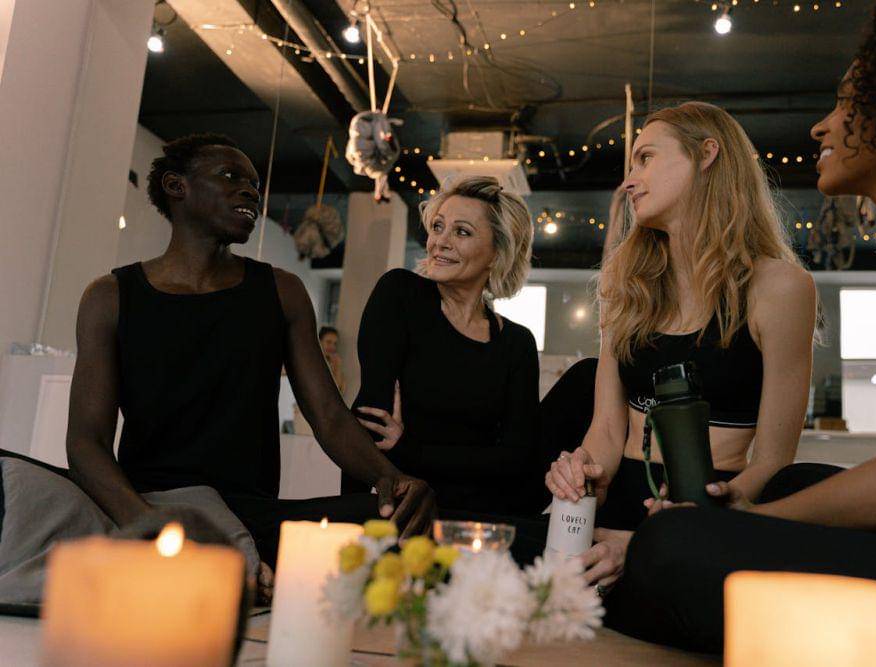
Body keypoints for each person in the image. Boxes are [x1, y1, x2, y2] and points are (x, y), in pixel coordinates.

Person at [611, 1, 876, 664]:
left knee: (671, 546)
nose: (822, 124)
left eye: (847, 102)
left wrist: (740, 525)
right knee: (796, 484)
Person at [66, 134, 435, 573]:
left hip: (252, 516)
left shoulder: (282, 291)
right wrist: (147, 522)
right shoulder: (110, 297)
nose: (251, 193)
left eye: (255, 185)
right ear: (176, 186)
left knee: (405, 525)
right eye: (231, 177)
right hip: (154, 505)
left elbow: (329, 417)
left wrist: (389, 477)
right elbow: (86, 442)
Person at [545, 101, 817, 591]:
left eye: (645, 158)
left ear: (706, 154)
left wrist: (678, 530)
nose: (630, 181)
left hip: (711, 518)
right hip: (612, 514)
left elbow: (773, 462)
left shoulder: (780, 287)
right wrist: (580, 471)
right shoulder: (625, 283)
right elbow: (606, 428)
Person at [344, 176, 543, 515]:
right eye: (438, 227)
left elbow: (515, 458)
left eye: (461, 232)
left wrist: (410, 449)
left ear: (497, 253)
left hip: (481, 512)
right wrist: (355, 518)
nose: (440, 241)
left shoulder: (517, 343)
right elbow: (369, 419)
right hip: (401, 504)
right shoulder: (400, 294)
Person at [319, 325, 345, 390]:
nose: (332, 347)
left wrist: (337, 367)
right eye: (328, 342)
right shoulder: (312, 361)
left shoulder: (334, 364)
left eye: (335, 344)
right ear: (319, 342)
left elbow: (338, 390)